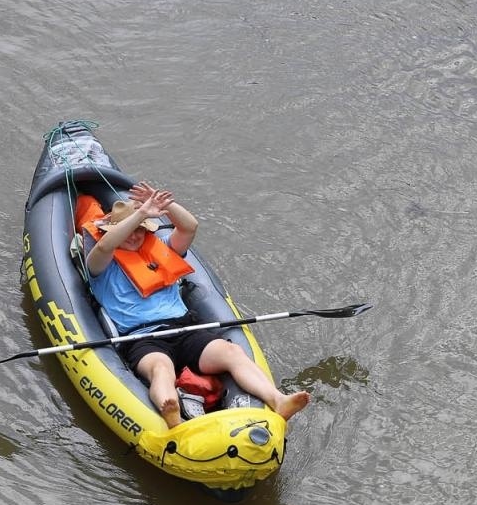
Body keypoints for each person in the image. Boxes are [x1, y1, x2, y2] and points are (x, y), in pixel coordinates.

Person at [84, 182, 310, 429]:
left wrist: (166, 205)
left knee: (231, 352)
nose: (135, 236)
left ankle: (278, 400)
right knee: (161, 368)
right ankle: (172, 414)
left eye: (140, 230)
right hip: (143, 338)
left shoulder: (162, 248)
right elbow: (105, 245)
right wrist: (140, 214)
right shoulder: (100, 264)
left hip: (185, 329)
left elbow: (189, 227)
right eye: (129, 230)